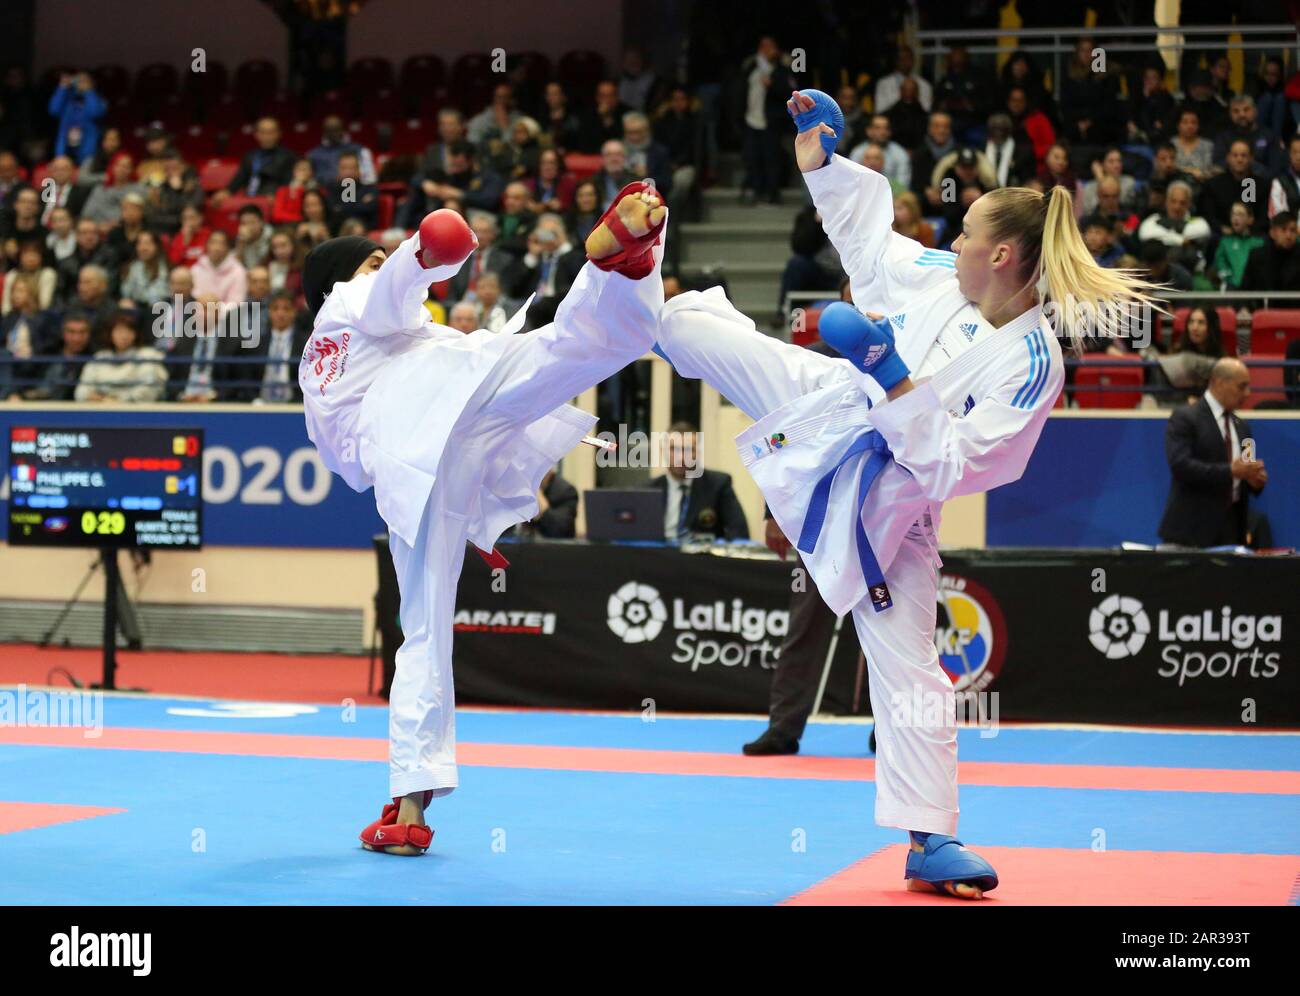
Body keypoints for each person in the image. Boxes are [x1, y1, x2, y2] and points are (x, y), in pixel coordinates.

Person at [653, 90, 1161, 900]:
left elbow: (956, 466)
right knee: (685, 322)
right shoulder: (938, 277)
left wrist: (895, 378)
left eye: (965, 236)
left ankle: (931, 839)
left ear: (1001, 257)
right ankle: (588, 324)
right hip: (826, 405)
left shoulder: (1032, 364)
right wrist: (819, 157)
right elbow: (871, 242)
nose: (951, 244)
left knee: (913, 670)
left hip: (894, 508)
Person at [299, 186, 668, 855]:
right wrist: (425, 254)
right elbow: (385, 297)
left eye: (388, 260)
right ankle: (623, 272)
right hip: (439, 420)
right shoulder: (347, 304)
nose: (380, 272)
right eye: (369, 261)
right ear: (334, 282)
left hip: (422, 456)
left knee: (425, 628)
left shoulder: (326, 370)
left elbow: (345, 462)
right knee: (570, 347)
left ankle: (410, 806)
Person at [1158, 358, 1267, 547]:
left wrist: (1254, 481)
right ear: (1219, 383)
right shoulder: (1185, 418)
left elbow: (1245, 473)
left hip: (1232, 533)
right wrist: (1231, 471)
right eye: (1241, 387)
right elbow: (1181, 466)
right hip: (1190, 533)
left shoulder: (1243, 428)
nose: (1247, 394)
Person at [648, 423, 750, 541]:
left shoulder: (718, 485)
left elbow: (740, 532)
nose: (680, 457)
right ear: (662, 451)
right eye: (673, 449)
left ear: (697, 452)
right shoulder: (648, 490)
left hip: (701, 557)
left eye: (688, 450)